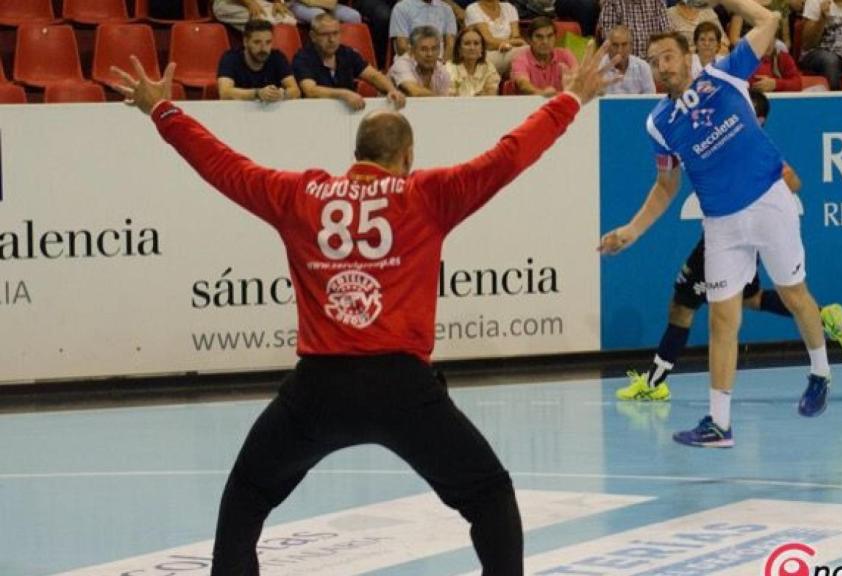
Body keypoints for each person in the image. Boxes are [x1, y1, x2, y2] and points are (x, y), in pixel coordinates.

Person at [110, 39, 614, 576]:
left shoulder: (301, 196)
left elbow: (225, 167)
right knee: (489, 495)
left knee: (247, 497)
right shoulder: (426, 195)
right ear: (406, 158)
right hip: (402, 388)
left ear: (355, 157)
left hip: (319, 389)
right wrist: (569, 101)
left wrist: (163, 110)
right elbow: (507, 156)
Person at [600, 0, 839, 449]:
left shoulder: (725, 73)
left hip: (768, 200)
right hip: (721, 225)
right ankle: (719, 423)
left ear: (688, 56)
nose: (661, 67)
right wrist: (632, 229)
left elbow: (769, 20)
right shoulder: (658, 123)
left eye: (667, 57)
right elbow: (666, 186)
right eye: (653, 62)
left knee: (795, 296)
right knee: (722, 319)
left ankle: (821, 372)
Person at [610, 90, 842, 418]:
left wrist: (763, 190)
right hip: (727, 232)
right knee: (750, 298)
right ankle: (822, 315)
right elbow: (669, 180)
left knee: (683, 305)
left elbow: (794, 180)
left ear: (757, 118)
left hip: (745, 229)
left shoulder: (752, 144)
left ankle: (655, 382)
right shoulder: (715, 132)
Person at [293, 13, 406, 110]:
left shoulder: (347, 53)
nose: (331, 40)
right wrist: (343, 94)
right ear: (313, 36)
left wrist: (391, 90)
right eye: (325, 35)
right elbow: (311, 91)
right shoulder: (303, 58)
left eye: (335, 33)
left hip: (346, 114)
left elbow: (374, 76)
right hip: (314, 115)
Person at [217, 19, 301, 102]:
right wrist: (257, 94)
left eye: (268, 42)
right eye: (257, 42)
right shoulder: (230, 58)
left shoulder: (277, 57)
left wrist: (281, 94)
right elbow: (224, 93)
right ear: (245, 41)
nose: (263, 48)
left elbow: (295, 91)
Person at [389, 25, 453, 96]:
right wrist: (440, 99)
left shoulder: (442, 71)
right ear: (412, 51)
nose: (429, 54)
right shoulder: (401, 64)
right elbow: (415, 92)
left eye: (434, 49)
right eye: (424, 49)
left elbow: (444, 103)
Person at [601, 25, 657, 94]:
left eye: (624, 44)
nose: (619, 50)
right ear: (608, 47)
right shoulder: (598, 68)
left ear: (631, 46)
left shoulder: (643, 67)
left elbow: (650, 99)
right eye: (615, 45)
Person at [447, 27, 502, 96]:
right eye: (467, 43)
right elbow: (450, 97)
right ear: (459, 48)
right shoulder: (450, 68)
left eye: (476, 43)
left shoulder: (488, 67)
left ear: (482, 48)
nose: (472, 48)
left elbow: (491, 95)